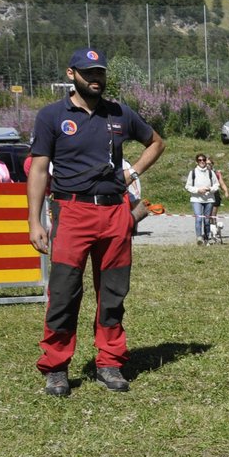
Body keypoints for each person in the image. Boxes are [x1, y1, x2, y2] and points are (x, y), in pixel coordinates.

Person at [26, 47, 164, 396]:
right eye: (89, 73)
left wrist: (132, 172)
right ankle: (56, 367)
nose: (96, 79)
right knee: (63, 292)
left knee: (114, 293)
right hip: (72, 212)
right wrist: (34, 221)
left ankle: (110, 362)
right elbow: (39, 170)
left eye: (100, 73)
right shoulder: (52, 116)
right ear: (72, 74)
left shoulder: (119, 113)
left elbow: (156, 142)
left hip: (115, 213)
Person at [184, 152, 224, 244]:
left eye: (203, 160)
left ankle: (206, 237)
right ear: (197, 161)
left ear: (206, 161)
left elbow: (217, 184)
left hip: (209, 199)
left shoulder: (210, 172)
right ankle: (199, 237)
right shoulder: (193, 172)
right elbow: (188, 186)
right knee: (198, 218)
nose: (202, 161)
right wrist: (198, 190)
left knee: (207, 220)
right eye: (200, 160)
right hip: (196, 199)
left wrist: (210, 189)